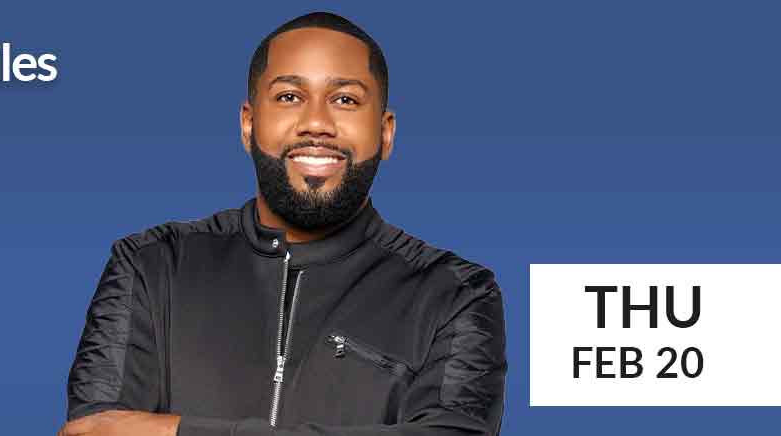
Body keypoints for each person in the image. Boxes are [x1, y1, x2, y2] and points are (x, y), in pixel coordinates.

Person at [60, 11, 507, 436]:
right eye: (289, 97)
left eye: (346, 100)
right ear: (248, 124)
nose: (316, 123)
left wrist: (178, 429)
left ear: (385, 133)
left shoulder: (455, 294)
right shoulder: (151, 265)